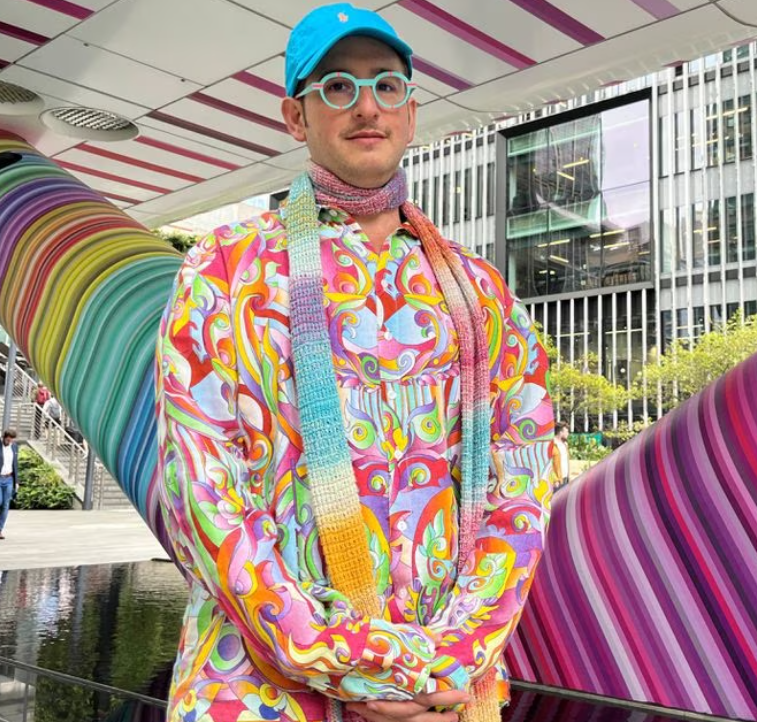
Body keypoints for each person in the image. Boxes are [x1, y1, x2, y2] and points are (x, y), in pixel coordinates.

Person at [155, 5, 554, 722]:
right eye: (337, 86)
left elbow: (523, 480)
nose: (366, 105)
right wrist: (349, 669)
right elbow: (201, 493)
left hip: (447, 692)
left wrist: (448, 662)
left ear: (410, 110)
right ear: (295, 115)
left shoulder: (480, 289)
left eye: (386, 85)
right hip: (265, 691)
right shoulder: (224, 270)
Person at [550, 422, 571, 489]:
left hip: (565, 479)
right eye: (566, 431)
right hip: (557, 481)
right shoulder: (552, 445)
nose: (568, 433)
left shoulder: (565, 444)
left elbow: (566, 462)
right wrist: (554, 479)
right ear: (560, 432)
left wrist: (568, 476)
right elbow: (548, 465)